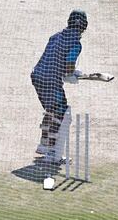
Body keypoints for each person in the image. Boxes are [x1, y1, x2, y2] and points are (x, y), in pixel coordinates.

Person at [31, 10, 88, 161]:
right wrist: (70, 74)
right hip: (51, 81)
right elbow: (68, 63)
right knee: (60, 113)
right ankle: (51, 152)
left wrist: (70, 72)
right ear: (84, 27)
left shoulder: (55, 36)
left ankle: (43, 145)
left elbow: (53, 58)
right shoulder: (76, 43)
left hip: (37, 76)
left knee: (51, 110)